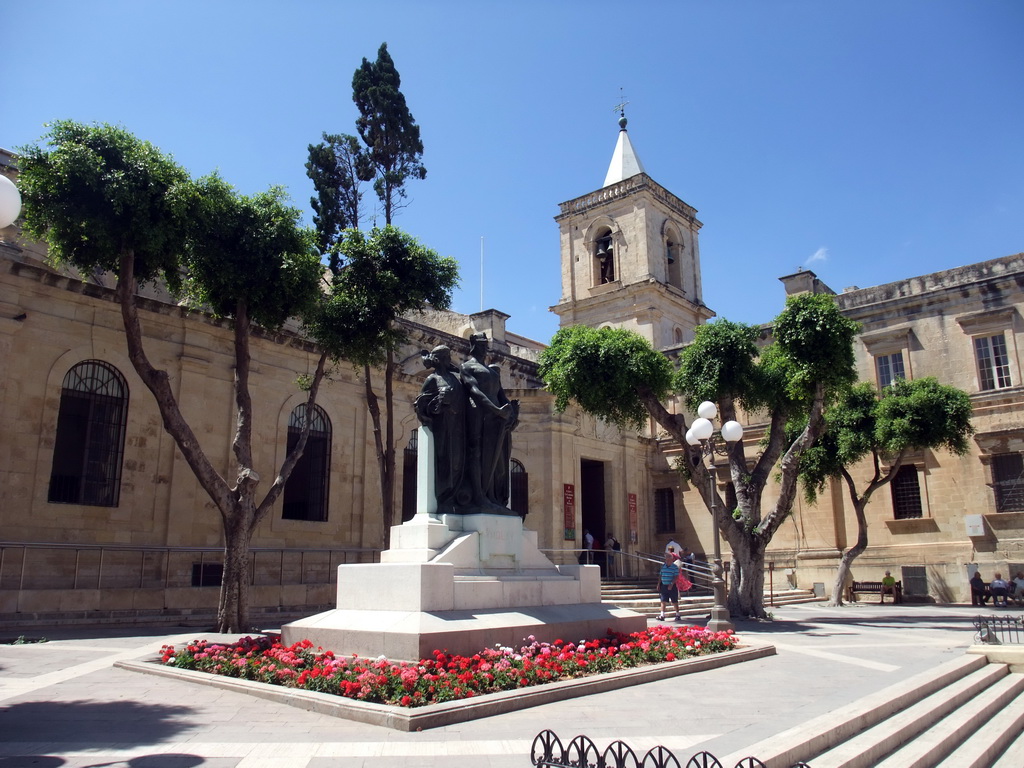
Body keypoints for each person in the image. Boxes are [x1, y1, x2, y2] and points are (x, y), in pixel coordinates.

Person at [459, 333, 519, 513]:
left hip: (496, 417)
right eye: (481, 344)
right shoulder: (467, 367)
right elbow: (474, 391)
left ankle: (492, 496)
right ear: (473, 345)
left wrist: (510, 412)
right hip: (478, 412)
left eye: (486, 344)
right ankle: (478, 495)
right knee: (476, 451)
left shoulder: (493, 372)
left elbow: (501, 395)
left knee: (497, 456)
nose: (485, 347)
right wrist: (496, 409)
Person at [413, 346, 466, 515]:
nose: (448, 358)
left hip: (458, 426)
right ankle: (444, 499)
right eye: (446, 356)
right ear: (439, 359)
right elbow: (420, 404)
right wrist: (440, 402)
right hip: (443, 426)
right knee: (445, 461)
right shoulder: (432, 379)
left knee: (458, 462)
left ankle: (456, 498)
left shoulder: (455, 378)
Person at [657, 550, 682, 622]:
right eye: (666, 559)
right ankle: (662, 615)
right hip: (664, 585)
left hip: (672, 586)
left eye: (668, 559)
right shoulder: (663, 566)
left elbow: (676, 576)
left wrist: (671, 584)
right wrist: (659, 584)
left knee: (674, 601)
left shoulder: (674, 567)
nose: (667, 561)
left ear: (671, 559)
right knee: (663, 600)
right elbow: (660, 575)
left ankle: (677, 614)